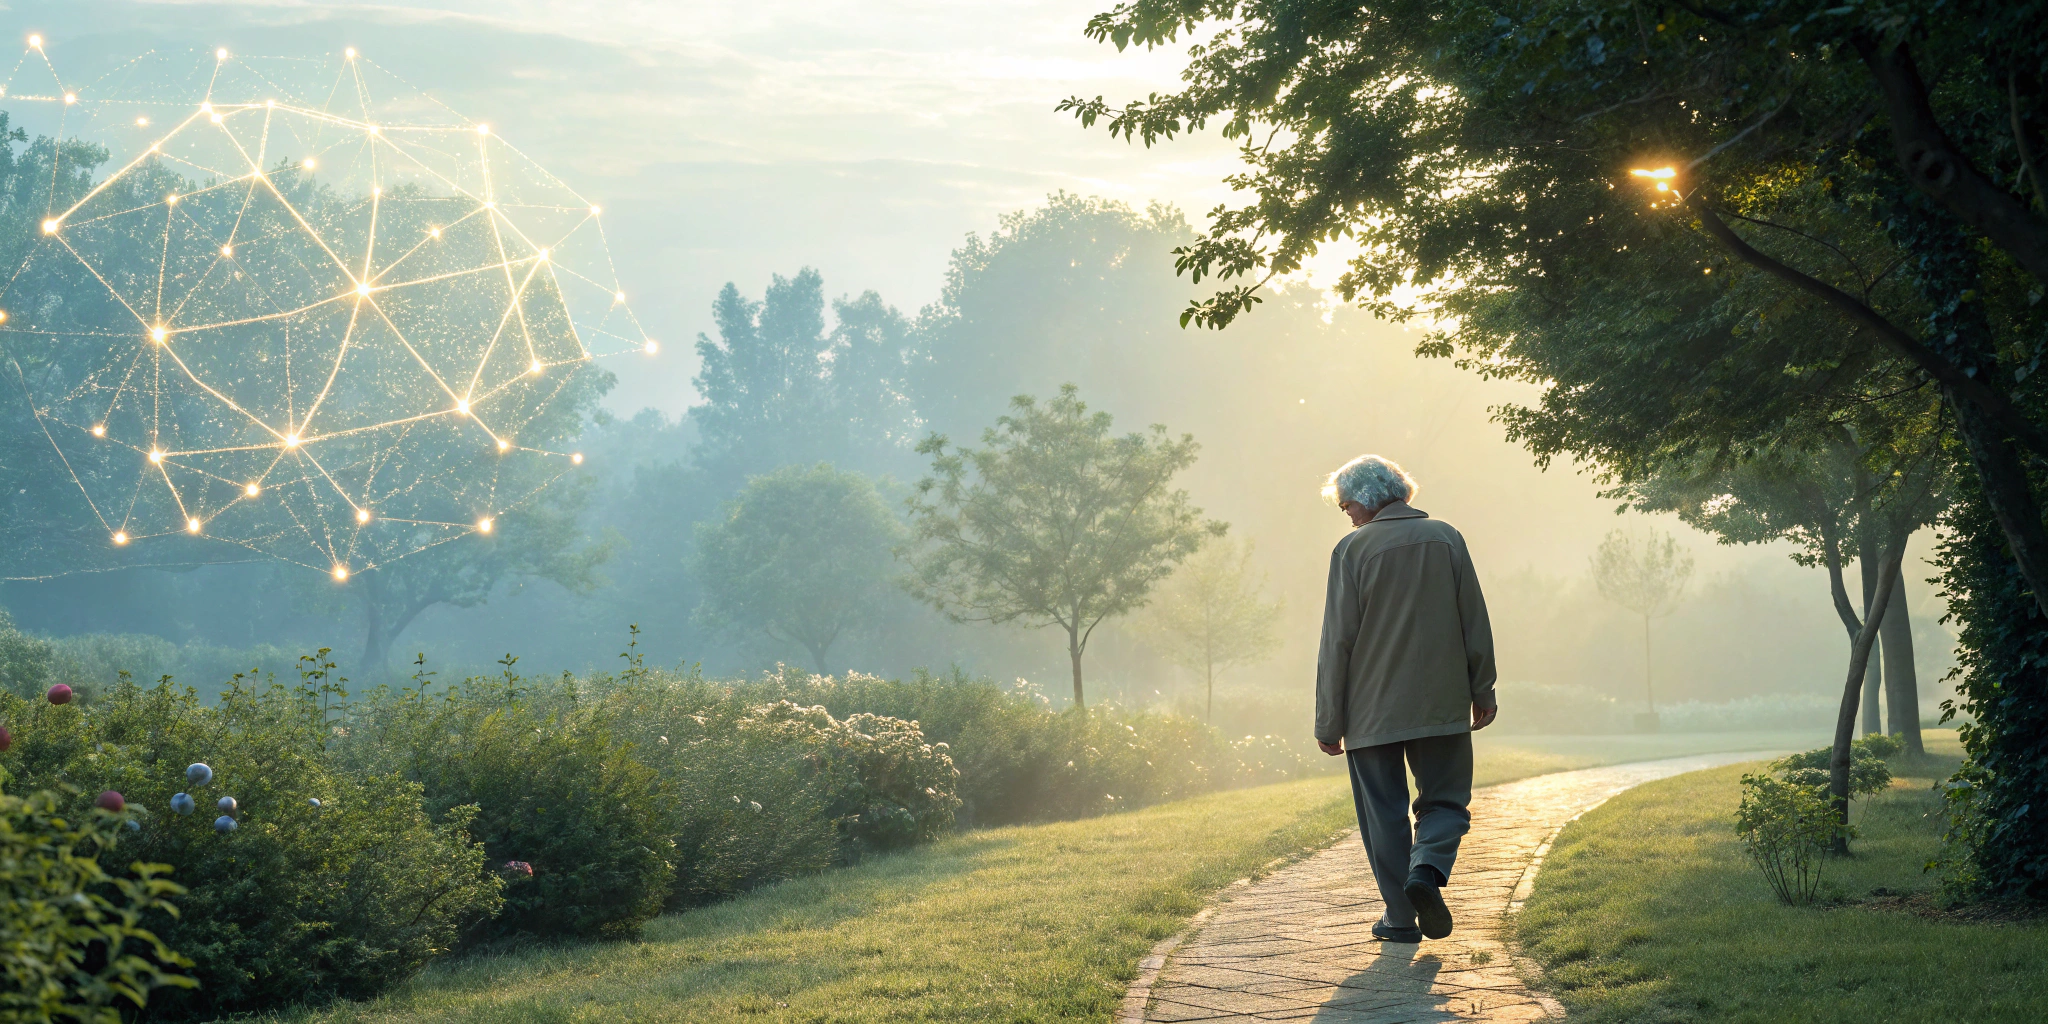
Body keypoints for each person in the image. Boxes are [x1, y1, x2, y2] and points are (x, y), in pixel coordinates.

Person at [1314, 454, 1497, 943]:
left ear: (1369, 499)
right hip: (1442, 703)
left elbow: (1338, 640)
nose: (1346, 513)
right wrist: (1483, 688)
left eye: (1346, 503)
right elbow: (1473, 620)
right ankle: (1428, 870)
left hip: (1371, 710)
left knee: (1384, 813)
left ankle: (1399, 918)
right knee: (1446, 801)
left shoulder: (1351, 551)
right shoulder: (1447, 538)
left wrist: (1328, 720)